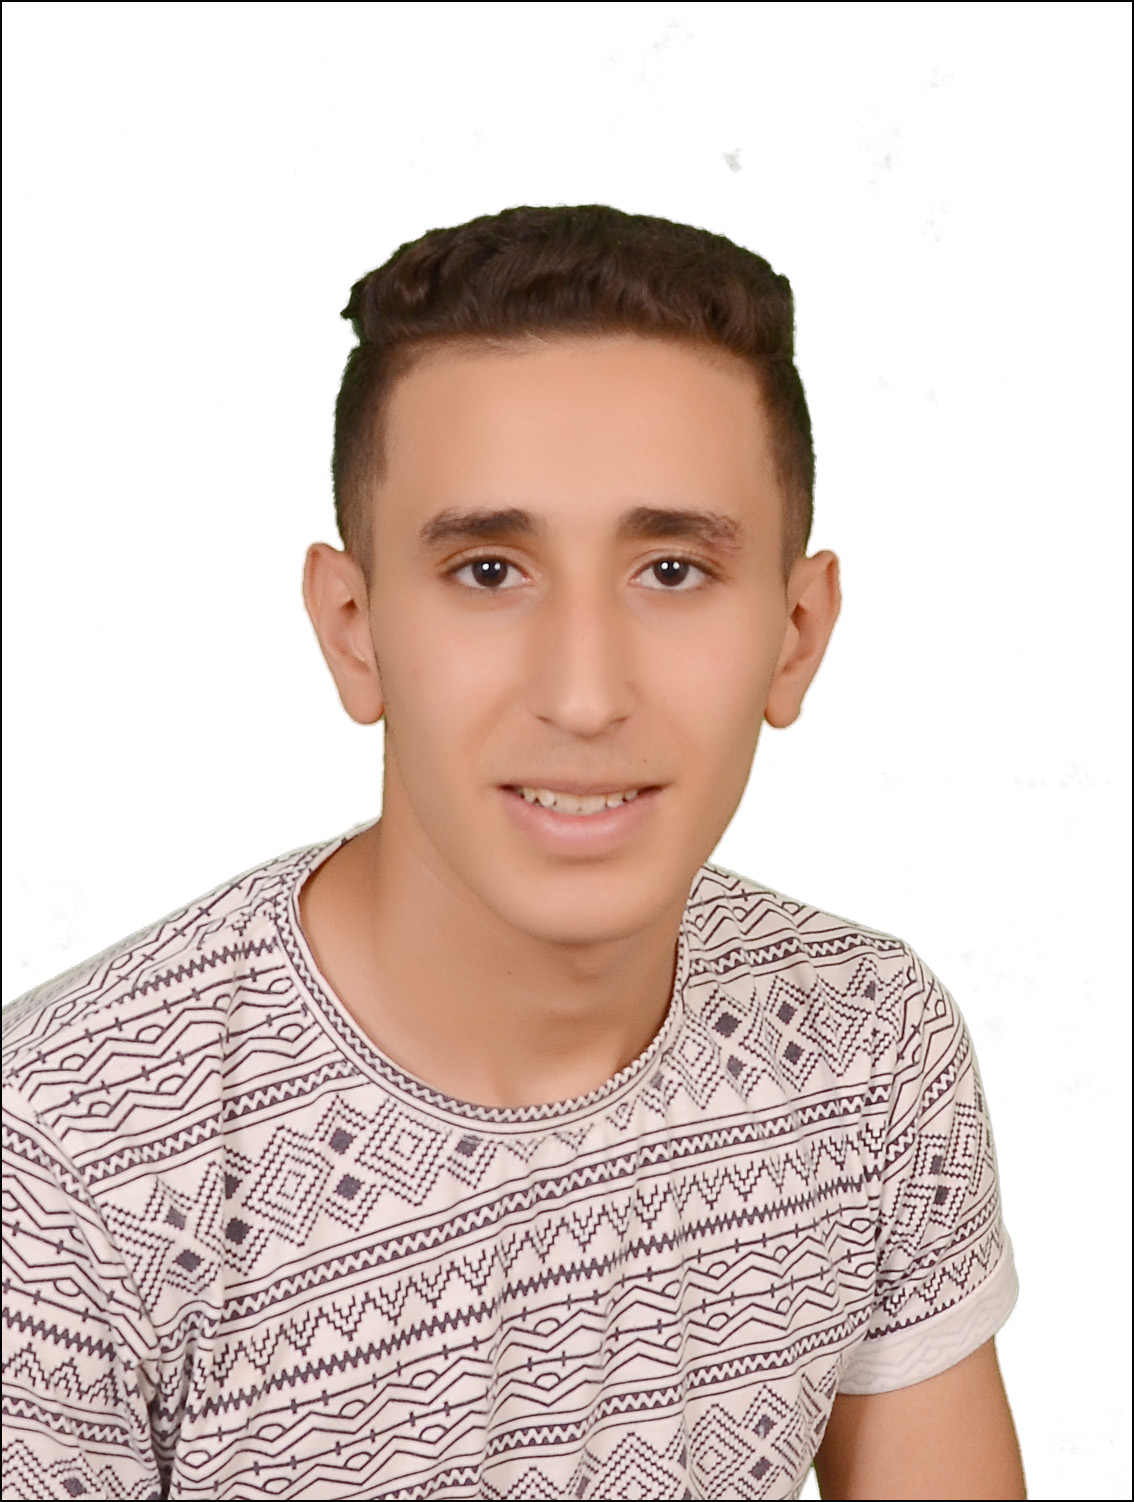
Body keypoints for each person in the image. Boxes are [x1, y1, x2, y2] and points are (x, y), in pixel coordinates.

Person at [1, 205, 1025, 1501]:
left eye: (671, 570)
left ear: (796, 633)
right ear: (355, 629)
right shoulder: (55, 1172)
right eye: (489, 571)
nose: (584, 694)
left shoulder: (870, 1045)